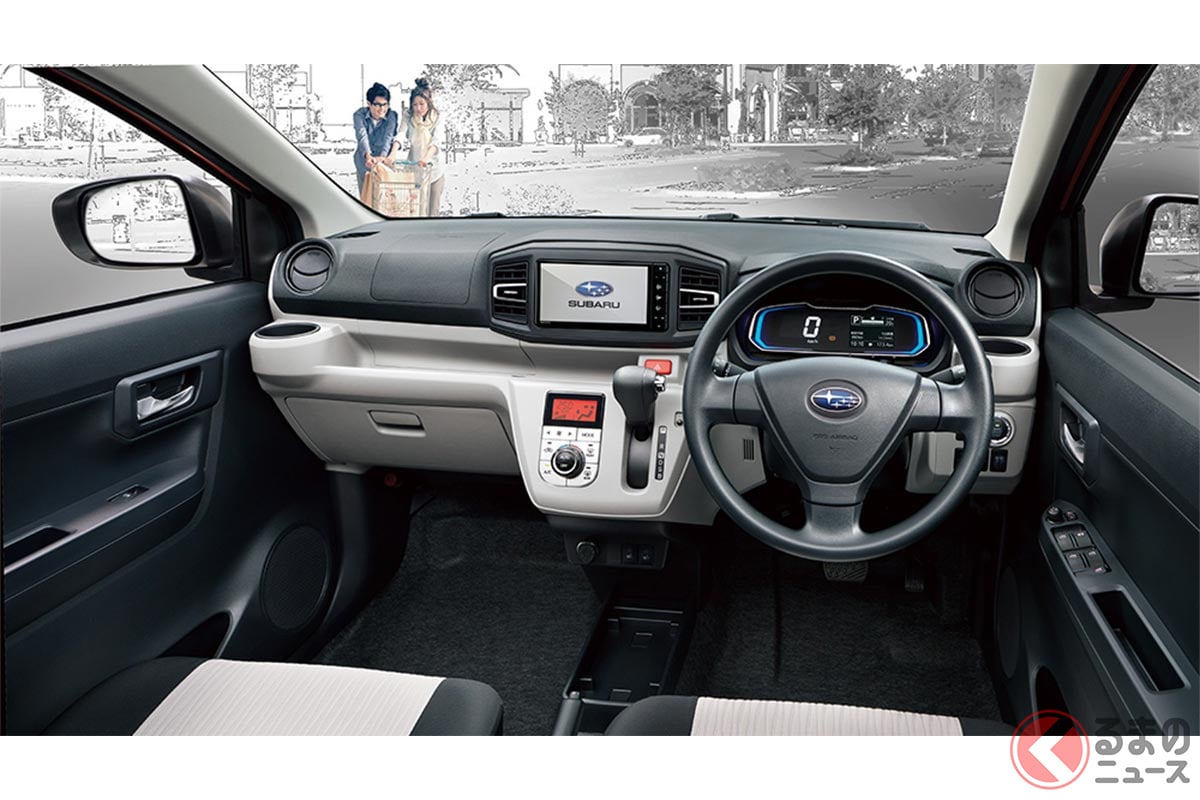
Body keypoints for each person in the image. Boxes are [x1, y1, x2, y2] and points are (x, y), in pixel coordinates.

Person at [403, 78, 445, 217]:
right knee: (417, 210)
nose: (418, 108)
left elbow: (436, 142)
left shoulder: (437, 117)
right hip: (415, 169)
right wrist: (392, 153)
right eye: (415, 105)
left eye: (422, 104)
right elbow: (401, 134)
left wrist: (426, 158)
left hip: (434, 169)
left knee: (433, 212)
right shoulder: (408, 116)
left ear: (429, 102)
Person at [352, 82, 400, 196]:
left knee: (384, 200)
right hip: (364, 163)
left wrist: (382, 158)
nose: (382, 109)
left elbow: (389, 137)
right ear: (369, 103)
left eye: (385, 104)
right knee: (365, 198)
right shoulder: (359, 115)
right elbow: (362, 136)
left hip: (384, 163)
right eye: (377, 104)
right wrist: (368, 156)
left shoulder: (392, 115)